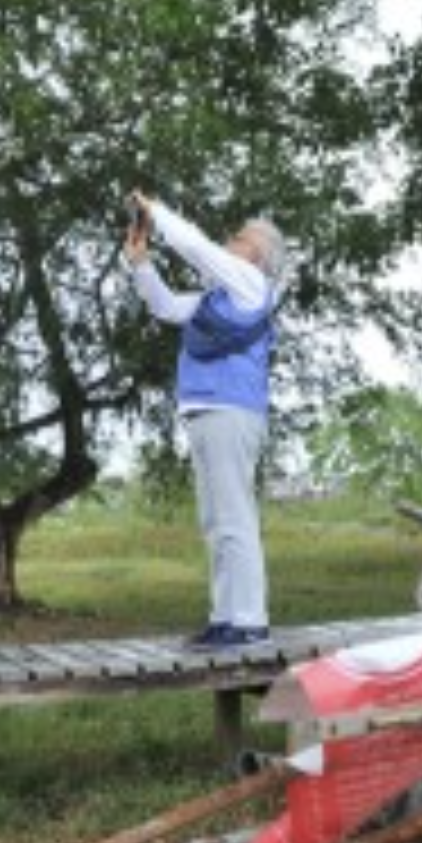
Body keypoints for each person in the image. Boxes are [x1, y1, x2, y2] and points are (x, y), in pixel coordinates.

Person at [125, 192, 284, 650]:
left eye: (240, 237)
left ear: (259, 253)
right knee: (216, 521)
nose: (230, 241)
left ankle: (250, 621)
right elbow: (167, 307)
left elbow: (196, 246)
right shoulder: (218, 297)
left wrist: (156, 212)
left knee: (234, 517)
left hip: (230, 409)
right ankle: (225, 617)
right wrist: (141, 264)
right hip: (205, 410)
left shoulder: (250, 283)